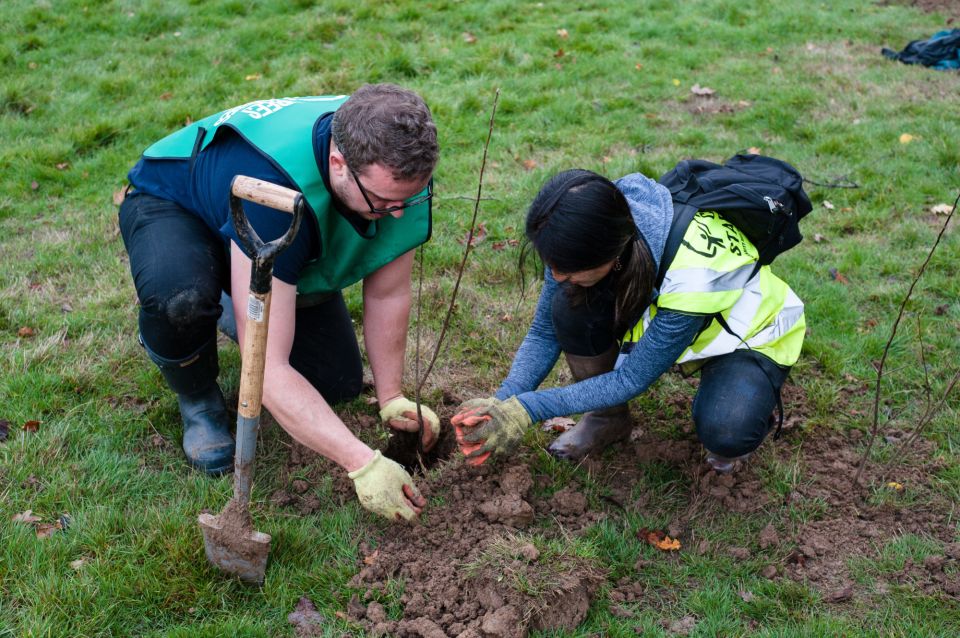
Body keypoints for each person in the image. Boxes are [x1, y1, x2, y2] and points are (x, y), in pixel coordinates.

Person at [119, 84, 440, 521]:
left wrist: (391, 397)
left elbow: (389, 291)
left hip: (260, 223)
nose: (397, 213)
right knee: (182, 302)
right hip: (176, 205)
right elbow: (267, 375)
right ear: (338, 163)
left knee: (336, 382)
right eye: (383, 203)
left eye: (406, 199)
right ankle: (196, 396)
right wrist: (361, 463)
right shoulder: (272, 191)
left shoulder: (399, 170)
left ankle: (240, 299)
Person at [454, 168, 804, 472]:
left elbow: (632, 378)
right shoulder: (584, 229)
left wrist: (529, 408)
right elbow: (545, 331)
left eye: (568, 267)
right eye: (552, 264)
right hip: (667, 309)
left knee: (727, 429)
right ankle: (608, 420)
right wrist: (501, 404)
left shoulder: (695, 274)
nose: (556, 275)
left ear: (613, 253)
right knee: (569, 306)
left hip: (746, 338)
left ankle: (747, 397)